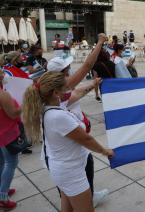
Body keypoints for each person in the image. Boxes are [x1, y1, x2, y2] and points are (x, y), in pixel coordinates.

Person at [22, 72, 114, 212]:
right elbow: (86, 139)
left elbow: (77, 93)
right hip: (71, 173)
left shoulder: (49, 106)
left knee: (67, 209)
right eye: (66, 87)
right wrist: (105, 151)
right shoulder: (58, 116)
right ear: (55, 92)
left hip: (64, 169)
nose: (69, 89)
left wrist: (92, 85)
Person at [0, 69, 21, 210]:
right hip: (6, 132)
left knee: (1, 161)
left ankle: (3, 189)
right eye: (1, 71)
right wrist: (25, 104)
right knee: (11, 162)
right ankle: (2, 196)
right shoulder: (3, 94)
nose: (4, 72)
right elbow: (13, 114)